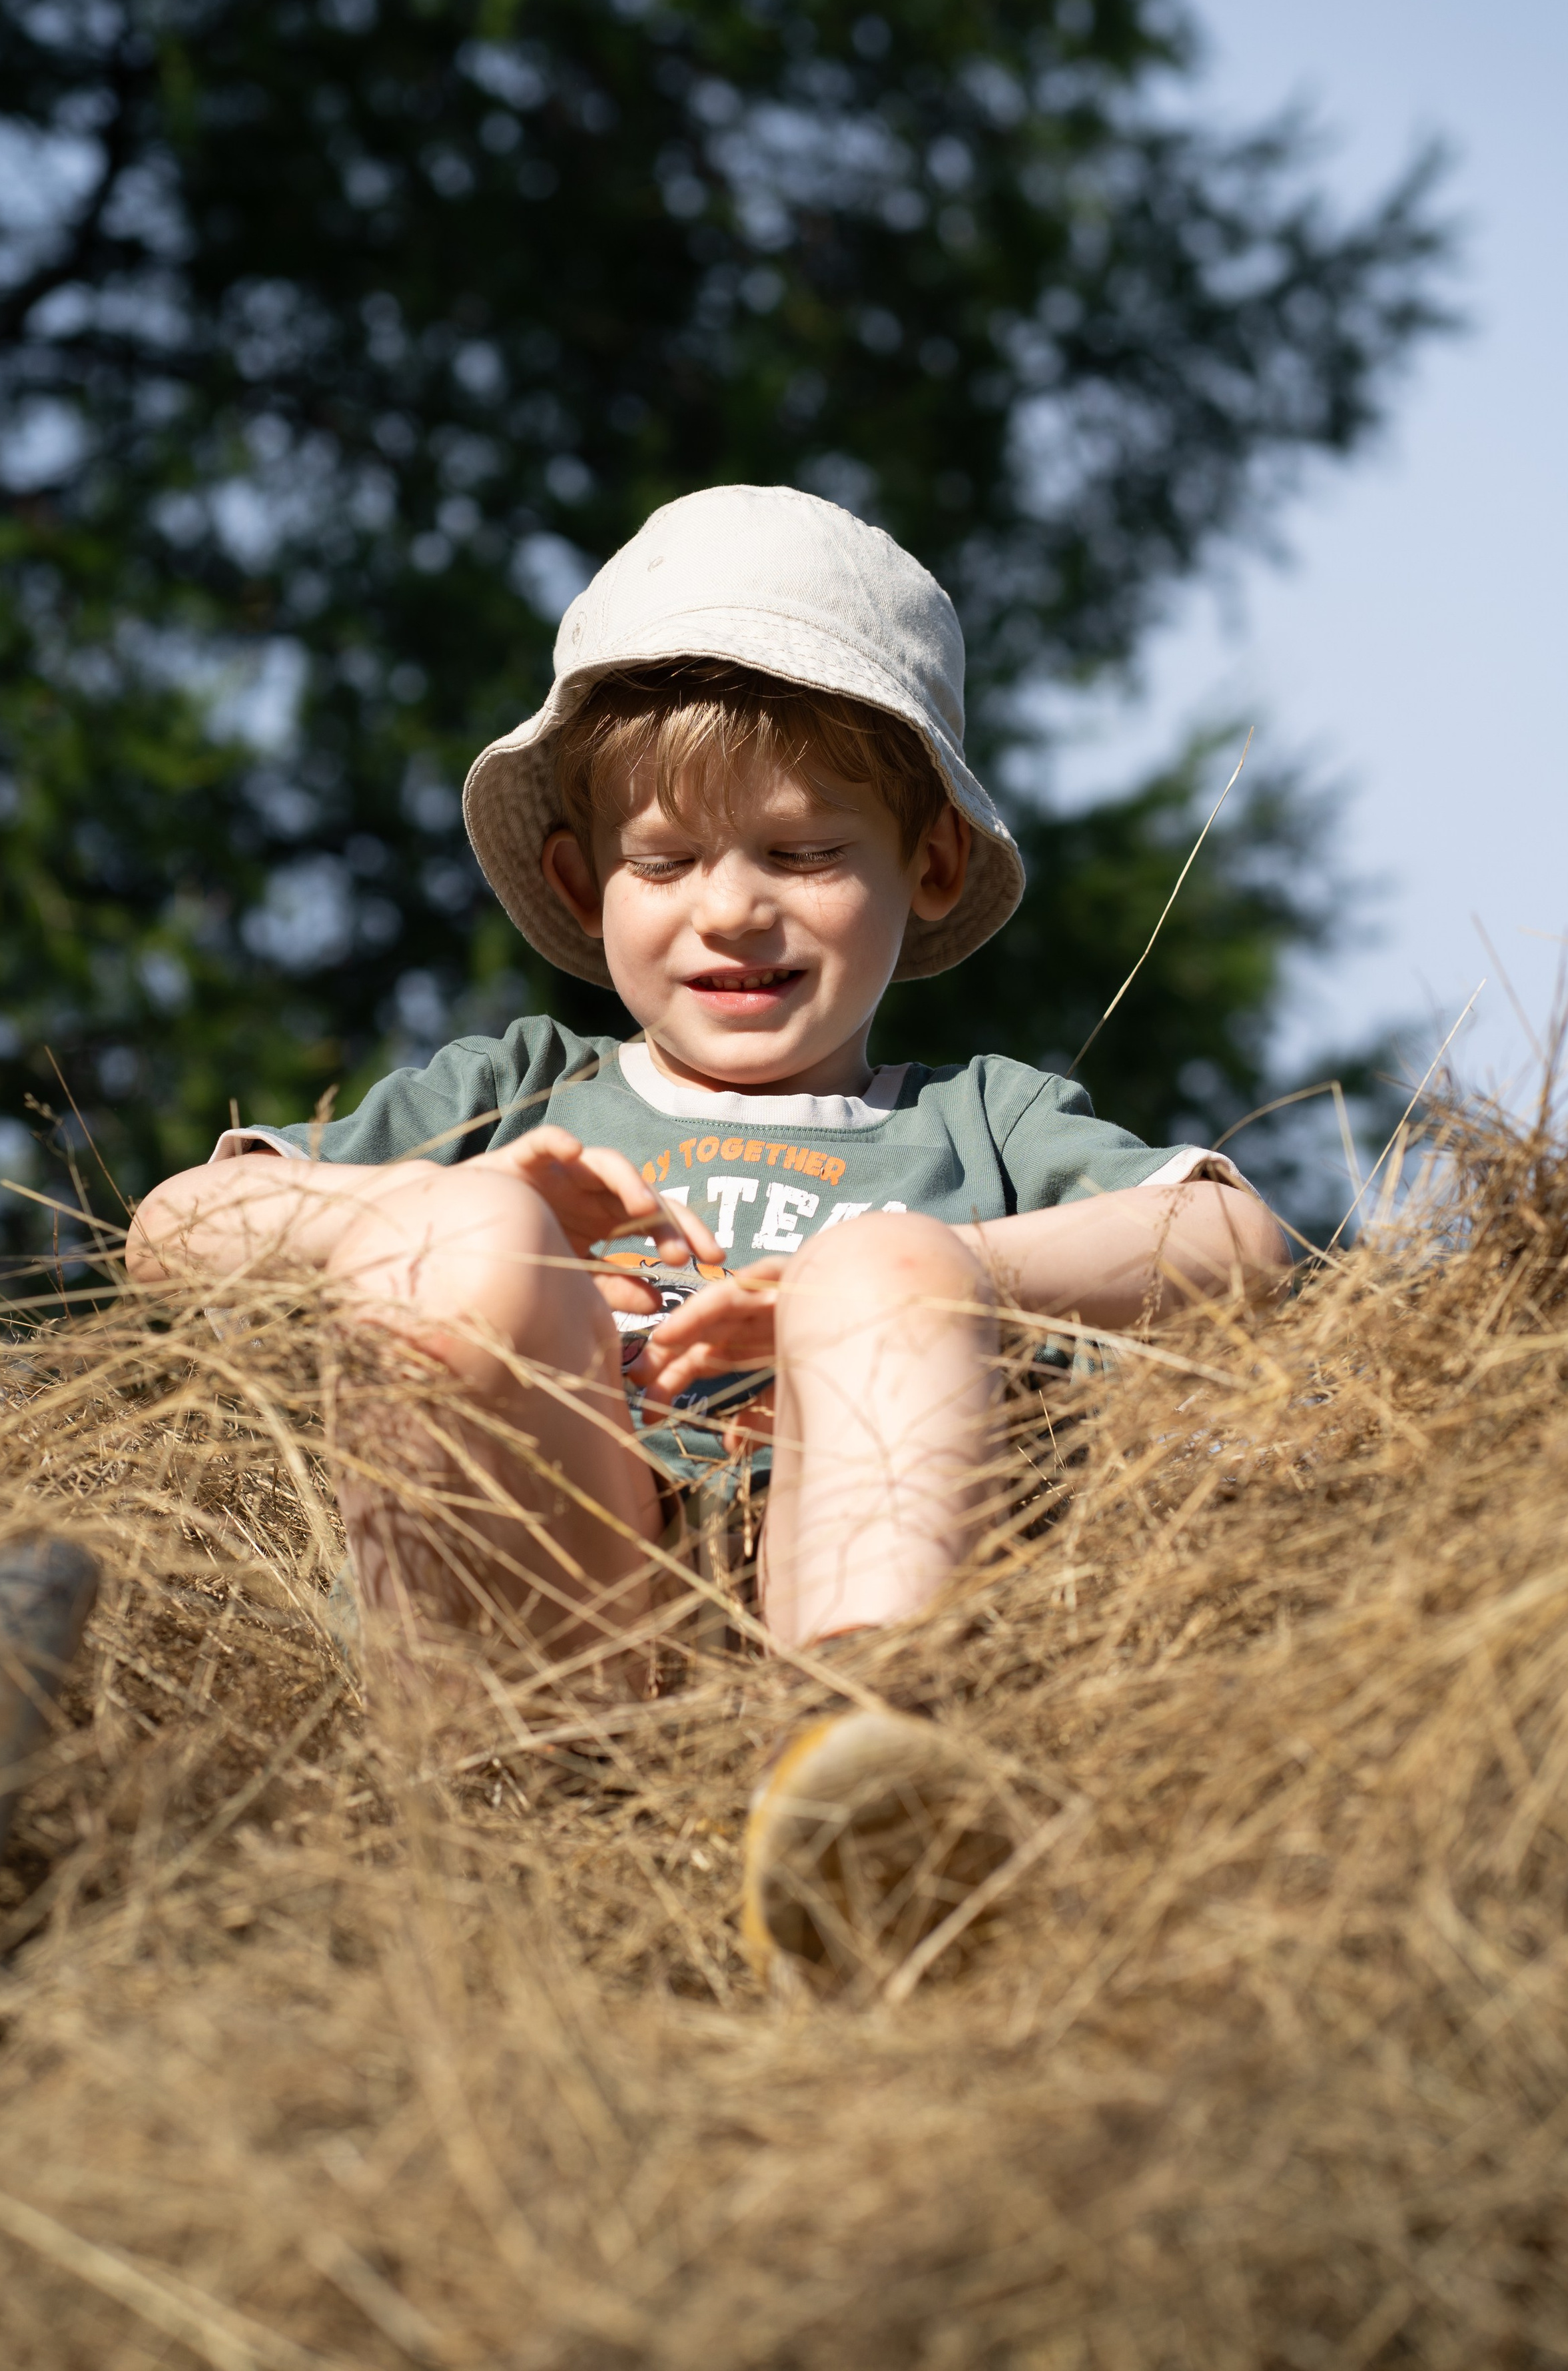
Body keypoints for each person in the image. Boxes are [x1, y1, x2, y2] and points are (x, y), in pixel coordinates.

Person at [128, 485, 1288, 1985]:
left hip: (829, 1595)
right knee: (467, 1236)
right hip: (546, 1635)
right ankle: (463, 1825)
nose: (728, 913)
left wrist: (924, 1274)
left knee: (886, 1264)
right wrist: (417, 1202)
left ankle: (861, 1769)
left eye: (801, 854)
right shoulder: (513, 1094)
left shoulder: (977, 1122)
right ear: (578, 884)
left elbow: (1237, 1248)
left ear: (923, 867)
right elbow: (171, 1232)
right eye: (665, 863)